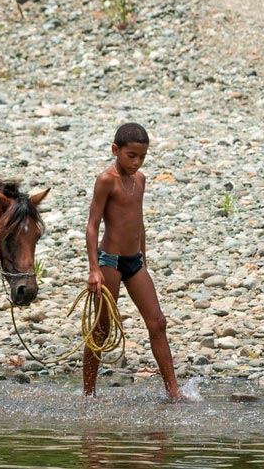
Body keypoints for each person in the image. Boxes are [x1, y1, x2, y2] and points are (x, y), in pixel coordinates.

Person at [84, 122, 185, 400]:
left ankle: (173, 391)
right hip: (110, 261)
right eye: (131, 156)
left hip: (135, 261)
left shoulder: (139, 179)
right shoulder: (106, 180)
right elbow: (92, 226)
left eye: (142, 157)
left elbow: (138, 222)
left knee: (158, 322)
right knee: (102, 328)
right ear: (116, 150)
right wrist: (94, 269)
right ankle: (88, 393)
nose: (137, 162)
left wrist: (144, 256)